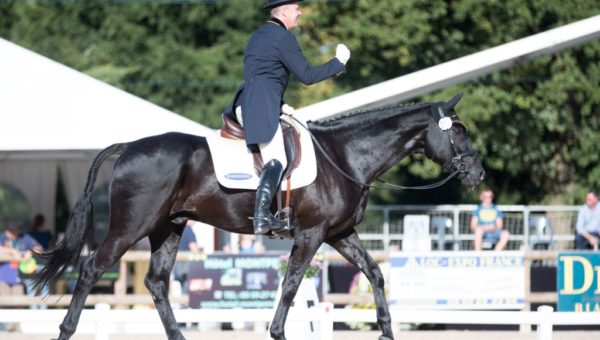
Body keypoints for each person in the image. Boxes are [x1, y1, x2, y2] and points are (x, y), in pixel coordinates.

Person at [227, 0, 350, 236]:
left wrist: (280, 105)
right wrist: (338, 63)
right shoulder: (282, 38)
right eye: (296, 9)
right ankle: (262, 216)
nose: (300, 12)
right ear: (283, 12)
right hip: (261, 107)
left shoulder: (258, 36)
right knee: (276, 160)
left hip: (247, 103)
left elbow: (261, 76)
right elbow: (307, 76)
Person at [0, 219, 42, 296]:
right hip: (2, 277)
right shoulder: (2, 237)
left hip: (19, 277)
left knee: (18, 302)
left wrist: (31, 252)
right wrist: (12, 251)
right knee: (5, 301)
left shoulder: (24, 237)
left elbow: (39, 248)